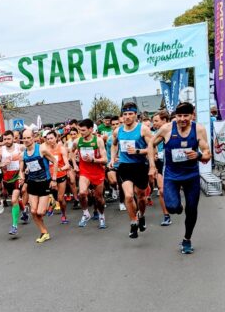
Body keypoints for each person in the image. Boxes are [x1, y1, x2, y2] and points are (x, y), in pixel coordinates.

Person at [148, 102, 211, 254]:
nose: (182, 119)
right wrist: (152, 165)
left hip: (191, 175)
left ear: (192, 115)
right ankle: (177, 206)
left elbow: (207, 153)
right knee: (173, 207)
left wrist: (199, 155)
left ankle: (187, 239)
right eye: (179, 115)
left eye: (186, 116)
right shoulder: (167, 129)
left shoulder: (199, 130)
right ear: (175, 116)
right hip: (172, 175)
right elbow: (151, 143)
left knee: (192, 209)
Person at [111, 102, 153, 238]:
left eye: (130, 114)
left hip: (140, 166)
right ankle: (133, 222)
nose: (127, 117)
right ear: (122, 116)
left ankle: (141, 215)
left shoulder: (143, 129)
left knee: (141, 197)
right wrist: (112, 159)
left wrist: (138, 151)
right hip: (124, 166)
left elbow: (153, 148)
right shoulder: (118, 131)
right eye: (125, 114)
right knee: (128, 196)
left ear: (136, 115)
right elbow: (114, 145)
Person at [19, 129, 57, 243]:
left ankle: (51, 200)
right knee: (34, 211)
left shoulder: (41, 149)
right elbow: (21, 169)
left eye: (28, 138)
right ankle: (44, 232)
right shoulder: (23, 154)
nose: (26, 140)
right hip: (32, 182)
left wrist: (54, 179)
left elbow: (55, 161)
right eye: (24, 138)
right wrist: (21, 176)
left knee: (40, 212)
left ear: (33, 137)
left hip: (44, 181)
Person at [73, 119, 108, 229]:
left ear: (91, 129)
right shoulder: (77, 141)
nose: (81, 133)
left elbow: (105, 159)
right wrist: (74, 165)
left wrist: (93, 160)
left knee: (99, 198)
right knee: (82, 193)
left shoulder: (98, 141)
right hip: (85, 171)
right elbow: (70, 152)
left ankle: (101, 216)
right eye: (80, 130)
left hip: (97, 171)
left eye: (83, 130)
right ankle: (85, 213)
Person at [0, 130, 24, 235]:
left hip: (17, 176)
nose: (7, 141)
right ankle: (24, 211)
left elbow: (29, 152)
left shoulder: (19, 147)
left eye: (9, 139)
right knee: (16, 200)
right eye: (5, 139)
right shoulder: (0, 151)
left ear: (13, 139)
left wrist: (23, 170)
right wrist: (2, 164)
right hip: (7, 179)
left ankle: (14, 225)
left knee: (14, 199)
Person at [151, 110, 172, 226]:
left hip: (173, 165)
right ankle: (166, 215)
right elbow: (150, 145)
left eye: (156, 121)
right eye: (153, 121)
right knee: (161, 190)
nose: (154, 123)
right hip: (160, 162)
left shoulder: (171, 131)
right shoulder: (153, 132)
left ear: (164, 120)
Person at [45, 130, 70, 224]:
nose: (50, 140)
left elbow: (67, 165)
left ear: (56, 138)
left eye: (51, 138)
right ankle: (52, 203)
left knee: (60, 198)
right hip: (50, 177)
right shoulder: (46, 150)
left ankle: (63, 215)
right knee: (53, 195)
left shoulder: (61, 149)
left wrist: (60, 169)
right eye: (48, 139)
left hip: (61, 176)